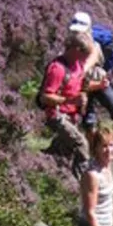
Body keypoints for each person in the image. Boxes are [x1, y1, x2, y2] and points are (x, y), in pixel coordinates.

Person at [68, 11, 113, 163]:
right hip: (85, 87)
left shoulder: (95, 45)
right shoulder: (69, 46)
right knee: (89, 124)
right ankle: (95, 154)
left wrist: (80, 73)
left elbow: (92, 58)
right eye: (75, 31)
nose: (78, 34)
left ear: (88, 30)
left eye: (81, 31)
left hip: (97, 82)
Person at [39, 31, 90, 176]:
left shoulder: (78, 65)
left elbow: (79, 87)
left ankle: (44, 169)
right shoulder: (57, 69)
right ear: (76, 50)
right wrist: (69, 101)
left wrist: (83, 98)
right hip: (57, 115)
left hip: (71, 115)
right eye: (85, 53)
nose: (86, 58)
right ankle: (83, 182)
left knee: (62, 150)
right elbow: (45, 97)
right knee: (81, 144)